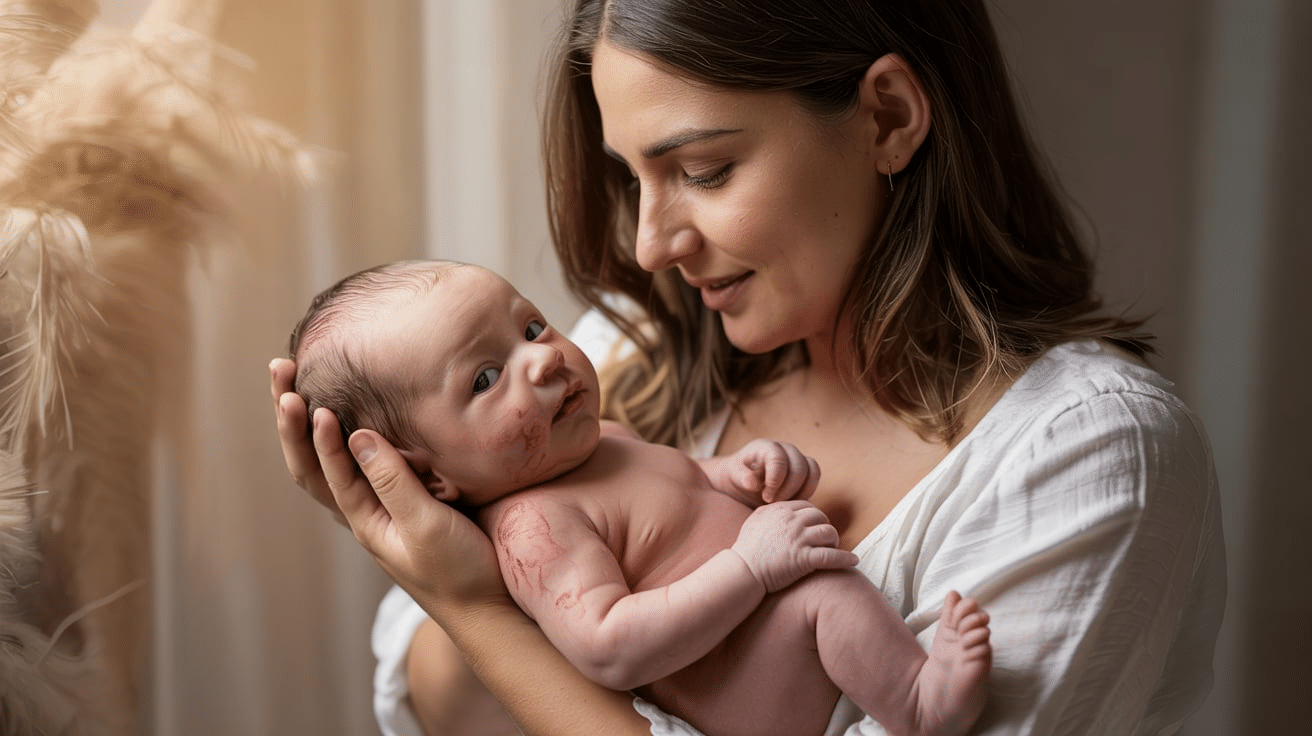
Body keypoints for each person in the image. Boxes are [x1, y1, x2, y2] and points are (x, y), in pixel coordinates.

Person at [270, 1, 1226, 734]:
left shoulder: (1092, 455)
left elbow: (489, 677)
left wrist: (469, 605)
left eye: (703, 170)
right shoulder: (627, 353)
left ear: (887, 116)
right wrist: (454, 582)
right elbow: (435, 695)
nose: (648, 246)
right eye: (630, 178)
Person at [288, 259, 993, 736]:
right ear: (432, 478)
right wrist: (750, 566)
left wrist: (740, 473)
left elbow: (684, 490)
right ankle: (921, 702)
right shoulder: (535, 527)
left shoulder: (600, 440)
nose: (543, 357)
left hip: (757, 645)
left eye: (531, 326)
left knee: (820, 591)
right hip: (732, 687)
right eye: (484, 379)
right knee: (823, 596)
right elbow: (608, 646)